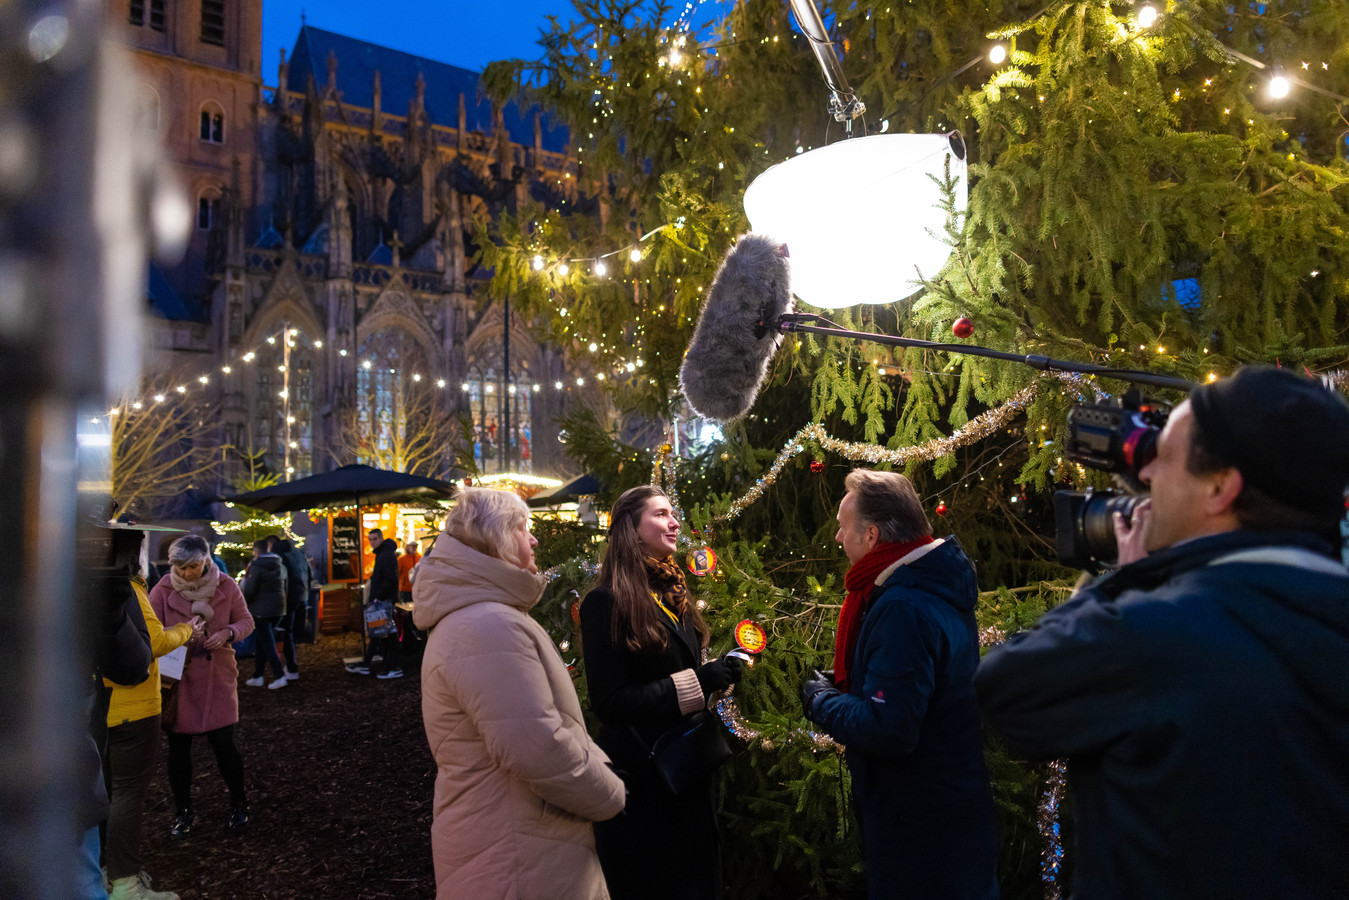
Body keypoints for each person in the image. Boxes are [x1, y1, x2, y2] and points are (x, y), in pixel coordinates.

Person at [975, 366, 1349, 898]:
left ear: (1221, 487)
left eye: (1165, 457)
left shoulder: (1159, 632)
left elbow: (1009, 688)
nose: (1147, 476)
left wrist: (1129, 582)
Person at [412, 488, 624, 899]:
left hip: (514, 841)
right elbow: (536, 746)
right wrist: (611, 792)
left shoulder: (483, 615)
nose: (534, 539)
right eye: (522, 528)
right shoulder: (486, 624)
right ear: (496, 537)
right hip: (518, 855)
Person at [798, 469, 998, 899]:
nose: (836, 538)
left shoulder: (902, 606)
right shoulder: (930, 586)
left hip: (921, 831)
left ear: (871, 537)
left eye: (841, 526)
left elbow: (888, 727)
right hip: (947, 819)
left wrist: (819, 700)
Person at [579, 485, 744, 900]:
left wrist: (716, 673)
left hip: (686, 769)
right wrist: (696, 683)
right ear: (631, 530)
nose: (674, 522)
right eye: (661, 514)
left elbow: (673, 669)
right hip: (645, 779)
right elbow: (610, 701)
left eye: (673, 514)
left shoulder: (674, 593)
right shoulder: (605, 602)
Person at [102, 527, 203, 900]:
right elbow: (155, 641)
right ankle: (126, 885)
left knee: (108, 793)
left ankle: (102, 874)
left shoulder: (82, 586)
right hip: (137, 708)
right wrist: (185, 630)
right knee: (127, 796)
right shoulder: (128, 589)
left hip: (101, 708)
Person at [149, 534, 255, 837]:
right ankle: (182, 811)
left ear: (205, 561)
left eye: (191, 567)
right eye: (179, 568)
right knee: (178, 748)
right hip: (178, 678)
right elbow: (152, 630)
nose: (185, 573)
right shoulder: (163, 589)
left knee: (224, 745)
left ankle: (239, 803)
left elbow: (247, 621)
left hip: (216, 676)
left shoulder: (227, 586)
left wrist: (228, 633)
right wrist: (180, 635)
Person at [346, 528, 403, 679]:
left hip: (382, 601)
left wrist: (378, 596)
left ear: (381, 539)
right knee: (381, 634)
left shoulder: (385, 556)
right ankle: (375, 664)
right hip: (382, 600)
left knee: (386, 634)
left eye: (375, 539)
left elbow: (389, 579)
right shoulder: (384, 555)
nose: (372, 542)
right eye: (370, 539)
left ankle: (392, 666)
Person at [240, 538, 287, 690]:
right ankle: (258, 675)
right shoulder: (279, 564)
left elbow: (250, 590)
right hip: (278, 608)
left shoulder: (256, 565)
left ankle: (279, 675)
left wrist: (244, 603)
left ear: (256, 550)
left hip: (261, 610)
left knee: (267, 643)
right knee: (262, 641)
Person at [271, 537, 309, 680]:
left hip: (289, 599)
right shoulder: (299, 554)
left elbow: (281, 579)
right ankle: (291, 665)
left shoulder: (281, 556)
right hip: (301, 596)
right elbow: (308, 574)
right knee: (291, 633)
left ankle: (291, 668)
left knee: (287, 633)